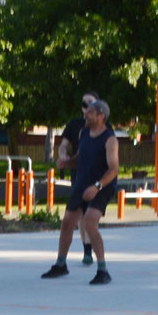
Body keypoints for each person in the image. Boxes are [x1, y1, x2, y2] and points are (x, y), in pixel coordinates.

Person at [42, 99, 118, 285]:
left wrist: (97, 187)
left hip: (101, 187)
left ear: (101, 116)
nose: (85, 115)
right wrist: (67, 162)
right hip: (81, 184)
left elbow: (114, 169)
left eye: (90, 113)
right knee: (67, 222)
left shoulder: (110, 139)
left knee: (89, 223)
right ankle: (61, 265)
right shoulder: (83, 133)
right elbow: (79, 158)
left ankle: (102, 270)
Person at [57, 91, 99, 265]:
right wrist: (63, 155)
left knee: (92, 214)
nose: (87, 107)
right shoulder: (74, 125)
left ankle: (96, 251)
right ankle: (87, 250)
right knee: (81, 214)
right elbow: (63, 146)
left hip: (97, 175)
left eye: (90, 103)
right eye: (84, 103)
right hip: (79, 175)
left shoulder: (102, 125)